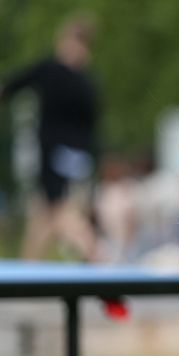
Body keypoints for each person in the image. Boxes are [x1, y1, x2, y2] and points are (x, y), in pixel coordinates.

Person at [0, 12, 100, 261]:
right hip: (77, 155)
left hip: (54, 151)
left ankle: (97, 254)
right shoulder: (87, 82)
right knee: (43, 211)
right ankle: (27, 266)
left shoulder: (51, 69)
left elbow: (13, 84)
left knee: (58, 209)